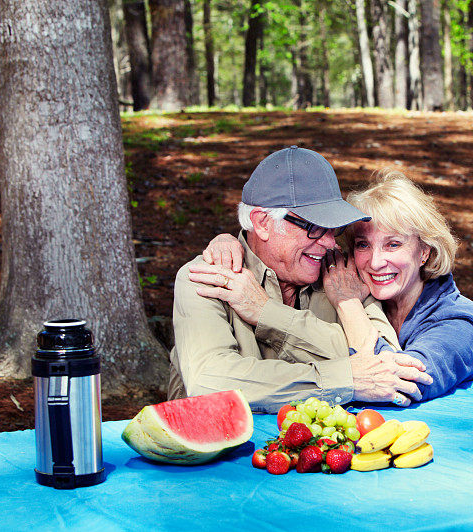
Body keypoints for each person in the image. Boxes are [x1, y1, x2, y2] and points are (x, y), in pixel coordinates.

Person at [168, 146, 432, 413]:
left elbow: (387, 362)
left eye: (334, 228)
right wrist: (345, 379)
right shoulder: (207, 276)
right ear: (262, 223)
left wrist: (268, 314)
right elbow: (210, 381)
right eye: (315, 227)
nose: (330, 242)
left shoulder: (340, 271)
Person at [203, 170, 473, 403]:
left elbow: (396, 381)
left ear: (425, 251)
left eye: (393, 244)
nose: (376, 262)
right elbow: (282, 243)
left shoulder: (457, 321)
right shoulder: (352, 282)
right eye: (363, 244)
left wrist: (347, 303)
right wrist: (232, 242)